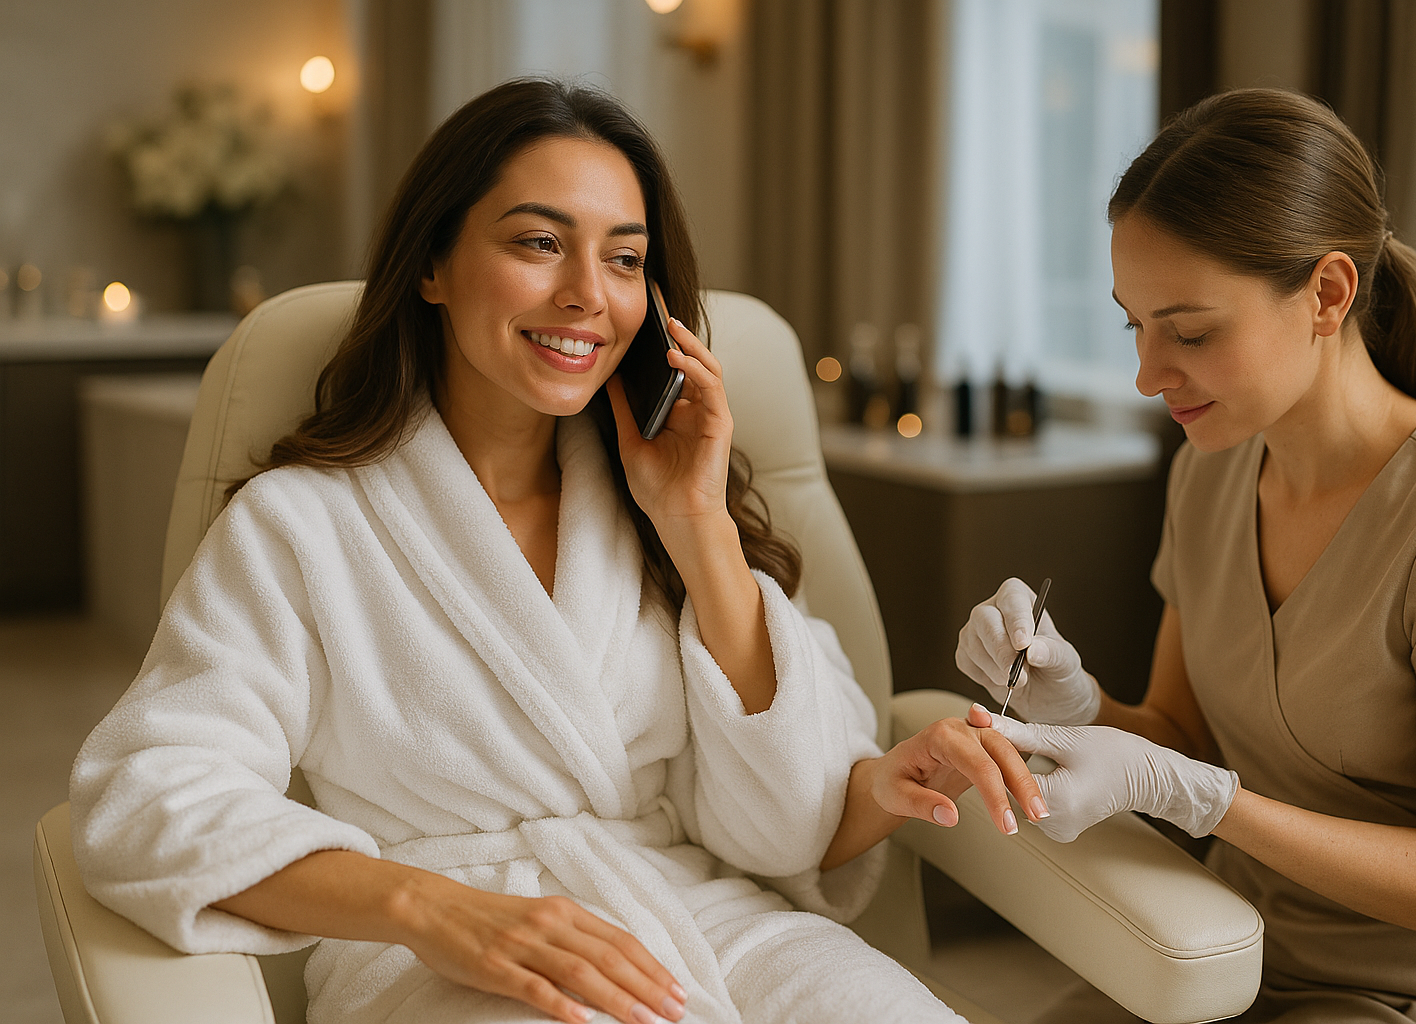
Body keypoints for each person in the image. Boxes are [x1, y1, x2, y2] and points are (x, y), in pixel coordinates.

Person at [71, 79, 1044, 1024]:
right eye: (539, 242)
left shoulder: (658, 510)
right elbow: (144, 794)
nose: (588, 295)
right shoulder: (303, 526)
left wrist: (698, 522)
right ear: (433, 265)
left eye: (625, 260)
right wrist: (423, 907)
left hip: (716, 925)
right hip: (446, 958)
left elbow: (787, 826)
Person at [957, 88, 1416, 1023]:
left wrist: (1204, 801)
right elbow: (1182, 742)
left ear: (1328, 294)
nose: (1148, 376)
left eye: (1189, 332)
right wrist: (1076, 704)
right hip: (1229, 953)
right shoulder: (1213, 472)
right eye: (1133, 327)